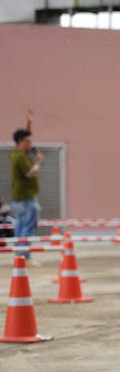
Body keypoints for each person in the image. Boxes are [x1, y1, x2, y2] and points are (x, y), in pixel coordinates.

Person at [10, 110, 43, 260]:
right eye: (28, 141)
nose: (31, 144)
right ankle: (23, 256)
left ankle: (19, 255)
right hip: (26, 198)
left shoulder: (16, 154)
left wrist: (29, 123)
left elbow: (25, 136)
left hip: (19, 198)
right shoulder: (21, 158)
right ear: (22, 142)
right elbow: (31, 173)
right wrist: (38, 162)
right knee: (28, 227)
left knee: (21, 226)